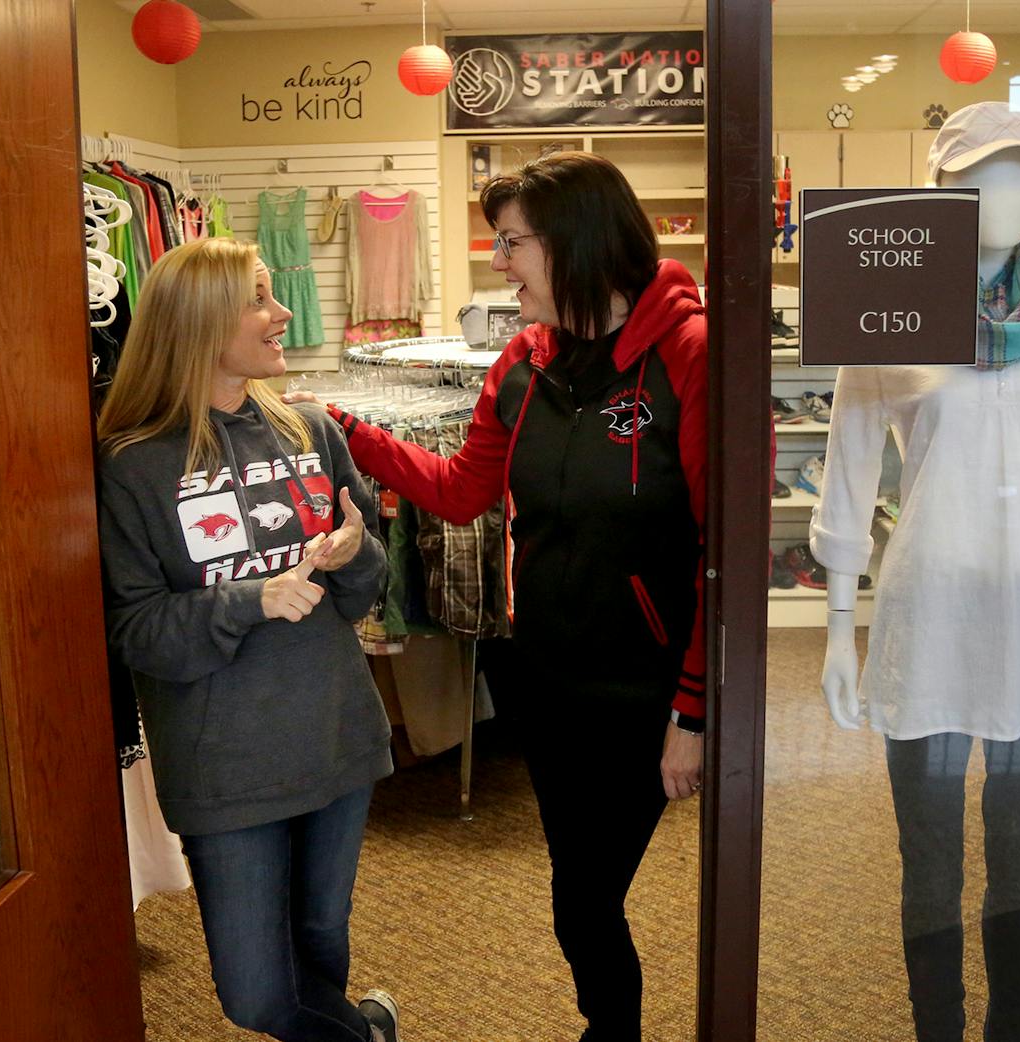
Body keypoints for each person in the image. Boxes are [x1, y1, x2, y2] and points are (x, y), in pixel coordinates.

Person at [288, 151, 707, 1042]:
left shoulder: (691, 355)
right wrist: (348, 429)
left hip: (647, 684)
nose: (499, 263)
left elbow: (723, 551)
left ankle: (613, 1031)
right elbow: (459, 490)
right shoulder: (520, 360)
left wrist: (695, 709)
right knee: (574, 893)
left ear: (575, 246)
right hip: (545, 673)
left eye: (512, 244)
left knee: (592, 890)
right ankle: (610, 1026)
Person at [814, 104, 1020, 1042]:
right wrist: (840, 626)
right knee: (929, 862)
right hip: (930, 618)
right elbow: (847, 464)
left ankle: (1012, 1033)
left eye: (1019, 175)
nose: (1001, 195)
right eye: (977, 178)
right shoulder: (888, 303)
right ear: (941, 191)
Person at [96, 237, 402, 1042]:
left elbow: (370, 589)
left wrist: (355, 552)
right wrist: (249, 601)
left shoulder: (311, 429)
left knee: (317, 955)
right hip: (226, 770)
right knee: (257, 997)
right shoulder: (130, 466)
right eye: (261, 298)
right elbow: (135, 632)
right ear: (200, 323)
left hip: (336, 740)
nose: (283, 314)